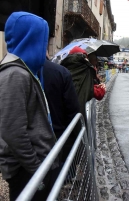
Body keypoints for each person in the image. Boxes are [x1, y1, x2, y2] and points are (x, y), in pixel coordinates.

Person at [0, 12, 59, 200]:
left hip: (32, 167)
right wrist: (36, 168)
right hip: (27, 171)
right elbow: (12, 131)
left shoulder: (24, 71)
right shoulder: (16, 75)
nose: (45, 48)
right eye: (42, 41)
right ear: (30, 40)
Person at [43, 57, 80, 162]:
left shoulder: (10, 69)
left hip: (24, 148)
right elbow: (73, 109)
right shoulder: (60, 72)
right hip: (58, 136)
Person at [61, 46, 105, 122]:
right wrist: (102, 88)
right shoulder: (85, 70)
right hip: (77, 116)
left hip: (61, 116)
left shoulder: (62, 68)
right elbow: (92, 91)